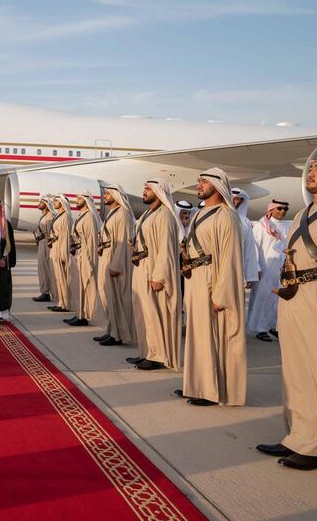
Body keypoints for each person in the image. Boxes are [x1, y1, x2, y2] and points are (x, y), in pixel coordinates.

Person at [256, 156, 317, 470]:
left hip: (314, 299)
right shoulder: (303, 214)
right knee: (294, 372)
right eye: (313, 166)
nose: (312, 171)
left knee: (313, 372)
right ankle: (296, 435)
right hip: (293, 297)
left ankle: (313, 445)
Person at [176, 167, 246, 406]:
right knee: (196, 336)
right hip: (195, 279)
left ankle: (211, 390)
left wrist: (220, 293)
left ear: (216, 185)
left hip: (210, 281)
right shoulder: (198, 214)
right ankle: (195, 384)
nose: (199, 186)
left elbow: (229, 258)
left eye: (203, 182)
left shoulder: (226, 215)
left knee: (210, 338)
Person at [128, 178, 183, 370]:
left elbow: (166, 249)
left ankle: (158, 355)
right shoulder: (147, 214)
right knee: (142, 313)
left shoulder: (165, 216)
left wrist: (159, 276)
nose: (144, 192)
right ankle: (146, 351)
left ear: (159, 192)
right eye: (144, 188)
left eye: (148, 189)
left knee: (154, 314)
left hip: (153, 271)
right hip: (141, 267)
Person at [94, 185, 136, 346]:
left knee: (115, 298)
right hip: (106, 255)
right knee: (107, 297)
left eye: (107, 194)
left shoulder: (123, 214)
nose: (105, 196)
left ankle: (118, 334)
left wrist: (116, 265)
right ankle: (111, 330)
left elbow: (123, 241)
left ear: (116, 196)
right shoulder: (113, 213)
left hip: (114, 259)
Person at [247, 199, 291, 341]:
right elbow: (254, 249)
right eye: (279, 208)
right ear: (271, 210)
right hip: (265, 269)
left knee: (277, 300)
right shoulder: (261, 226)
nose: (283, 211)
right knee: (262, 299)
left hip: (281, 269)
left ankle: (272, 326)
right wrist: (256, 268)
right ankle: (260, 329)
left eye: (285, 209)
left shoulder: (286, 226)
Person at [64, 191, 102, 327]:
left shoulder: (90, 217)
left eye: (79, 198)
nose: (77, 200)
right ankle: (79, 314)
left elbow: (91, 241)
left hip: (84, 257)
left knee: (84, 287)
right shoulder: (81, 216)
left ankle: (84, 316)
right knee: (77, 287)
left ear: (86, 201)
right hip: (77, 254)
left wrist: (88, 260)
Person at [48, 194, 74, 313]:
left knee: (63, 278)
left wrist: (64, 254)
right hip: (54, 248)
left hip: (60, 249)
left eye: (56, 201)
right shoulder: (59, 216)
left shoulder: (66, 217)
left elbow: (65, 237)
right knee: (57, 278)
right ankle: (60, 302)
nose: (54, 202)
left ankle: (65, 304)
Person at [232, 188, 262, 291]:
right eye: (234, 199)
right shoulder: (219, 217)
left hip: (238, 268)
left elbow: (249, 250)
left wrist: (250, 276)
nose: (236, 202)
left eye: (239, 200)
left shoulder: (245, 222)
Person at [33, 195, 55, 302]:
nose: (39, 202)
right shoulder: (44, 216)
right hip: (42, 244)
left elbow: (51, 233)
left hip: (46, 245)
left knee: (45, 269)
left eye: (42, 201)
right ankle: (44, 291)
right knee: (41, 269)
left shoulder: (50, 217)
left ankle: (46, 293)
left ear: (46, 204)